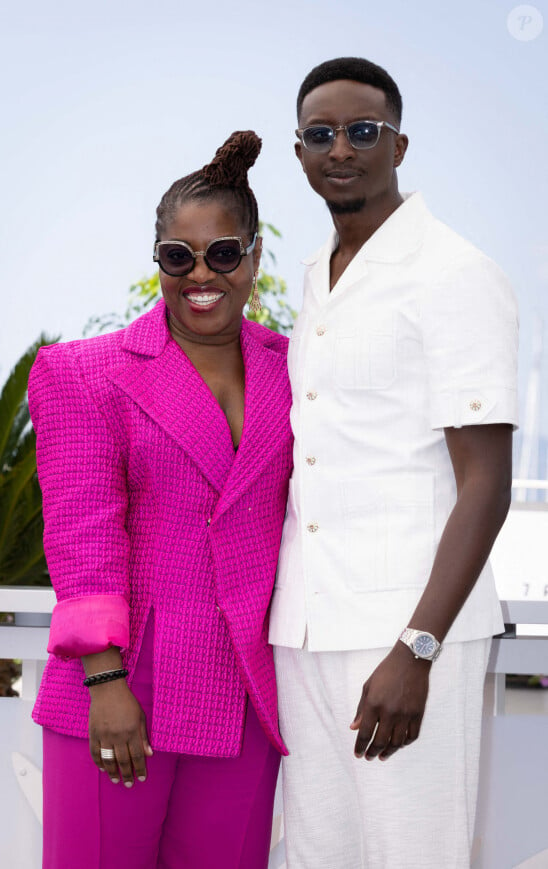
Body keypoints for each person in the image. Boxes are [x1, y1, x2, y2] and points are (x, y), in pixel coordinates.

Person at [269, 57, 518, 868]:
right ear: (300, 153)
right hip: (305, 629)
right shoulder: (315, 278)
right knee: (312, 856)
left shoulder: (455, 272)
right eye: (321, 134)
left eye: (362, 131)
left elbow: (485, 482)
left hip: (407, 634)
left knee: (414, 856)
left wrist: (418, 647)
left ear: (400, 144)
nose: (341, 149)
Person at [28, 130, 293, 869]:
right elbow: (83, 540)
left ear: (254, 255)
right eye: (178, 256)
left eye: (223, 252)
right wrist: (105, 684)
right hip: (121, 679)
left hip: (242, 690)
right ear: (157, 260)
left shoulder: (298, 370)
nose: (200, 273)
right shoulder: (84, 373)